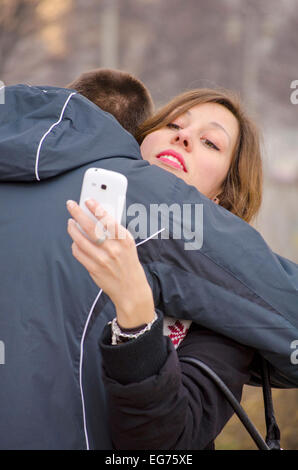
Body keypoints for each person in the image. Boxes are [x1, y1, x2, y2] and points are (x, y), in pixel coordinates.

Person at [0, 75, 297, 450]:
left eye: (210, 142)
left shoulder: (221, 322)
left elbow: (164, 446)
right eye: (172, 124)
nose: (183, 136)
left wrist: (138, 323)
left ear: (222, 198)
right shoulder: (58, 212)